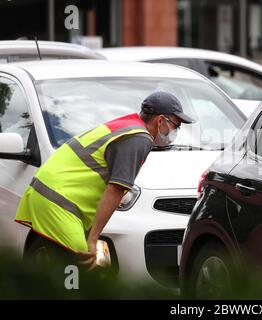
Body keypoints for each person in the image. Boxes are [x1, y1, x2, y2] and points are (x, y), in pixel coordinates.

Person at [15, 91, 194, 271]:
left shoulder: (128, 125)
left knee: (67, 274)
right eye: (175, 125)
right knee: (81, 270)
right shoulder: (139, 138)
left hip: (49, 198)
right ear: (160, 120)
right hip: (59, 204)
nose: (175, 131)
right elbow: (115, 189)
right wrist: (93, 239)